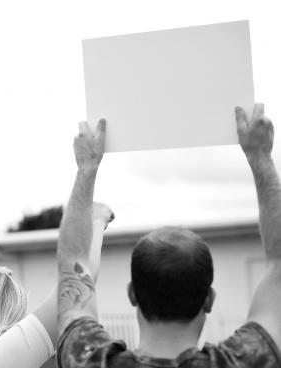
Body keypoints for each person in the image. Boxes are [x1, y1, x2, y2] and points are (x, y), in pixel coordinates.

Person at [57, 105, 281, 368]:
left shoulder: (87, 358)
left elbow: (74, 265)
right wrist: (260, 156)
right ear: (209, 299)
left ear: (132, 294)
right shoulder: (247, 361)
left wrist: (87, 167)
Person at [0, 203, 114, 368]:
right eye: (19, 313)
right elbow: (76, 284)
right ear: (4, 318)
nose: (20, 322)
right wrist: (96, 221)